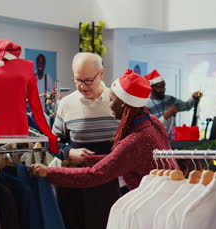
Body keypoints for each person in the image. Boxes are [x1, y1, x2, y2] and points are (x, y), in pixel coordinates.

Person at [29, 68, 173, 191]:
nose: (109, 105)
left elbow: (94, 175)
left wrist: (47, 172)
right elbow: (120, 159)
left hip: (152, 202)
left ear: (123, 104)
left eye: (111, 100)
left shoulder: (133, 141)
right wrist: (85, 159)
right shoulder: (152, 121)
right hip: (168, 190)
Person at [50, 52, 121, 229]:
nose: (82, 85)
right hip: (74, 183)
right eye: (77, 80)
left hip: (107, 183)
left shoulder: (116, 102)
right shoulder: (66, 104)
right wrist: (67, 152)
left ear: (102, 74)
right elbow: (54, 142)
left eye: (88, 80)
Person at [145, 69, 202, 136]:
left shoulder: (170, 99)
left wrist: (193, 98)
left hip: (172, 141)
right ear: (151, 88)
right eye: (160, 87)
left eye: (164, 86)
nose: (163, 90)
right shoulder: (146, 106)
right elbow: (150, 129)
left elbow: (187, 106)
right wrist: (165, 116)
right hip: (157, 141)